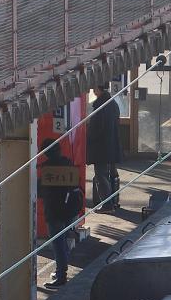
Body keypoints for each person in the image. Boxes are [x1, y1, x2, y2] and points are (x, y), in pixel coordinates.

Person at [39, 141, 82, 288]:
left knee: (58, 244)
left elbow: (40, 190)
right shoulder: (68, 164)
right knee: (63, 242)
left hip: (55, 212)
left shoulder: (48, 170)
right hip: (70, 210)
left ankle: (61, 276)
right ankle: (60, 271)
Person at [86, 86, 121, 213]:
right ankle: (112, 202)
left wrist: (88, 137)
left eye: (94, 89)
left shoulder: (100, 107)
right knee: (110, 174)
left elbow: (96, 129)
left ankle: (107, 205)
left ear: (98, 90)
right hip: (111, 146)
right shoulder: (113, 104)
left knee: (101, 175)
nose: (93, 92)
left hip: (101, 147)